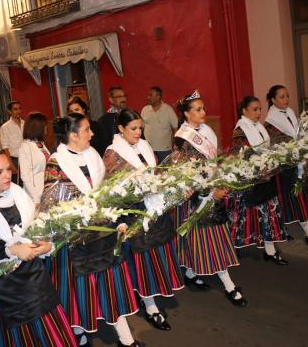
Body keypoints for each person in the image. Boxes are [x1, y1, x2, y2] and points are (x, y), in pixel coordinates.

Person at [0, 149, 76, 347]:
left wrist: (47, 244)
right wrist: (11, 250)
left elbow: (37, 226)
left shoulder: (18, 193)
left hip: (33, 279)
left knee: (52, 335)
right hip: (1, 287)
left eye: (8, 169)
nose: (7, 175)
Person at [44, 114, 142, 347]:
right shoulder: (56, 163)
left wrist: (118, 218)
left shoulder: (93, 155)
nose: (92, 134)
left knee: (111, 286)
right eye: (87, 130)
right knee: (80, 292)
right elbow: (51, 204)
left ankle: (125, 338)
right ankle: (79, 330)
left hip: (104, 232)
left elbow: (108, 191)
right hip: (76, 239)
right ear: (73, 135)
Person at [103, 109, 184, 332]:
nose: (138, 132)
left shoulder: (144, 146)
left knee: (157, 254)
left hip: (153, 208)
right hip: (133, 213)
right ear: (120, 129)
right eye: (133, 128)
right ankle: (150, 306)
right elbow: (111, 191)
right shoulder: (112, 154)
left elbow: (155, 172)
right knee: (142, 259)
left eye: (140, 128)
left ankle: (151, 294)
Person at [173, 91, 246, 307]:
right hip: (198, 196)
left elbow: (213, 161)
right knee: (213, 242)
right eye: (198, 109)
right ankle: (229, 286)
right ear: (186, 113)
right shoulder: (182, 138)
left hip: (212, 189)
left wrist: (222, 178)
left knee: (198, 242)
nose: (204, 112)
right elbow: (187, 175)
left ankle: (189, 272)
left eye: (203, 108)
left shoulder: (206, 130)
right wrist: (209, 192)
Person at [226, 96, 289, 265]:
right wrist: (259, 167)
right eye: (255, 109)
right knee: (242, 218)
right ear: (244, 111)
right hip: (250, 182)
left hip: (265, 178)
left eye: (260, 109)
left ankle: (270, 251)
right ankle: (233, 248)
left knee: (269, 215)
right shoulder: (240, 129)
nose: (259, 112)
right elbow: (238, 154)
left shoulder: (259, 127)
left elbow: (266, 149)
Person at [264, 85, 308, 248]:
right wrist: (296, 153)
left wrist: (306, 147)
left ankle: (288, 229)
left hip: (297, 165)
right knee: (294, 199)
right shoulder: (270, 122)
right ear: (273, 100)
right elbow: (276, 147)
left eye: (287, 96)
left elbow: (298, 135)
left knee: (296, 199)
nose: (286, 99)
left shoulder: (290, 113)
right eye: (281, 97)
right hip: (285, 169)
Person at [140, 86, 178, 163]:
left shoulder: (168, 110)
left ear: (158, 96)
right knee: (150, 172)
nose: (148, 97)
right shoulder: (145, 109)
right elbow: (141, 127)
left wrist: (175, 144)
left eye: (150, 95)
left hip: (164, 149)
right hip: (148, 149)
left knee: (166, 171)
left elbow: (175, 128)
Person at [18, 112, 50, 203]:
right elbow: (25, 176)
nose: (46, 128)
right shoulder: (26, 147)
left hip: (45, 190)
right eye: (44, 126)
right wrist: (35, 198)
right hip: (34, 195)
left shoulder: (41, 144)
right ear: (37, 127)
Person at [0, 100, 24, 184]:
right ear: (10, 111)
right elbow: (5, 148)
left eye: (19, 108)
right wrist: (11, 165)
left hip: (26, 159)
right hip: (14, 160)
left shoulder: (25, 124)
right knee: (17, 186)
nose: (18, 111)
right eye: (15, 109)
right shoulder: (5, 127)